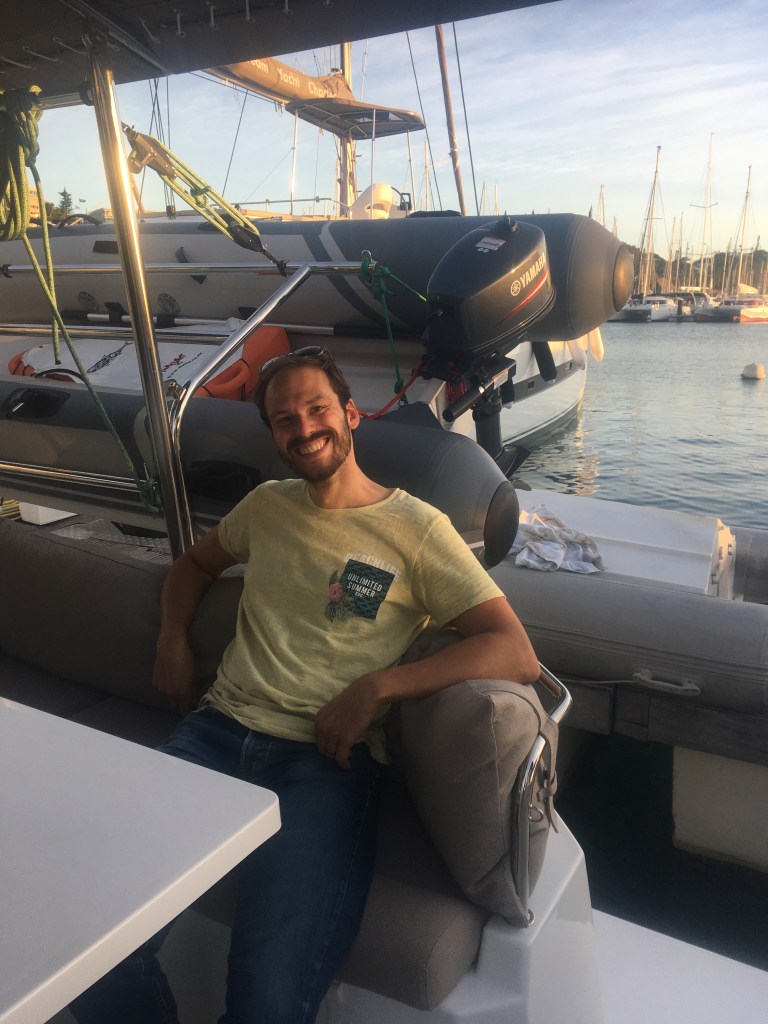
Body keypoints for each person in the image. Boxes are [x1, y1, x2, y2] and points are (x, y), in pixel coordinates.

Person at [70, 347, 539, 1024]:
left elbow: (513, 650)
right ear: (274, 435)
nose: (304, 427)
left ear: (350, 414)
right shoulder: (266, 506)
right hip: (213, 734)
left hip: (323, 767)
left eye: (317, 409)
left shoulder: (416, 529)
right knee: (89, 945)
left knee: (268, 1004)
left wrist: (378, 687)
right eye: (285, 419)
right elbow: (194, 566)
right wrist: (172, 639)